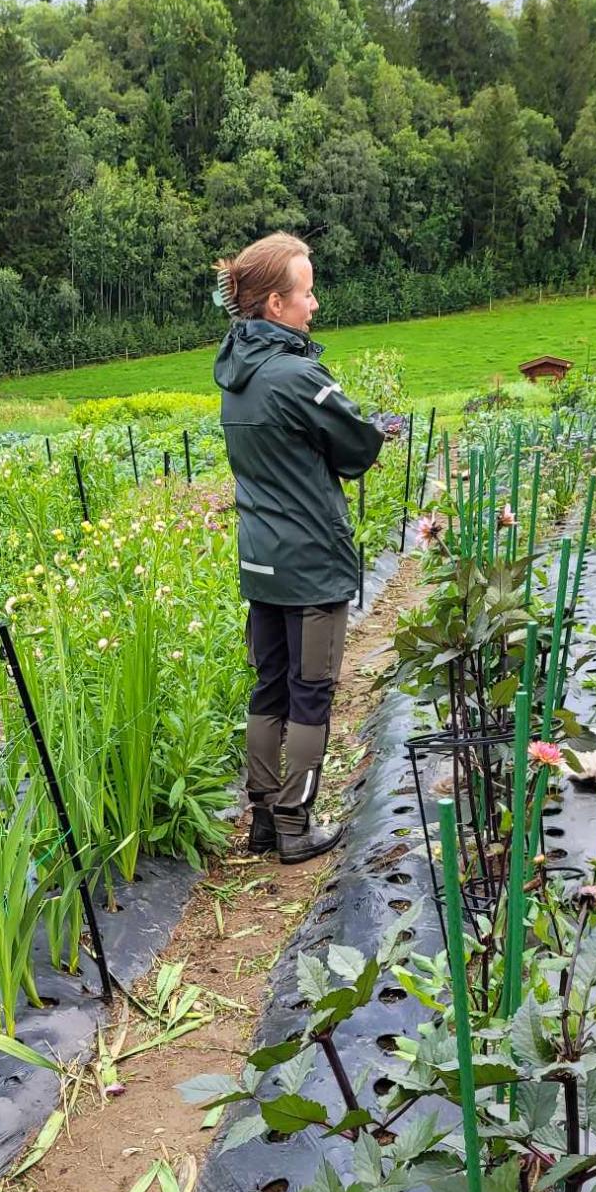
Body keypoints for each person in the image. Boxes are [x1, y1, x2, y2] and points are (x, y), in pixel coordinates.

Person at [213, 232, 384, 864]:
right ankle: (294, 824)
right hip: (311, 560)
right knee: (312, 693)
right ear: (275, 306)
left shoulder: (235, 375)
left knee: (271, 688)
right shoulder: (298, 375)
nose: (314, 304)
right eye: (306, 293)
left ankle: (261, 816)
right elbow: (359, 448)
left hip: (260, 557)